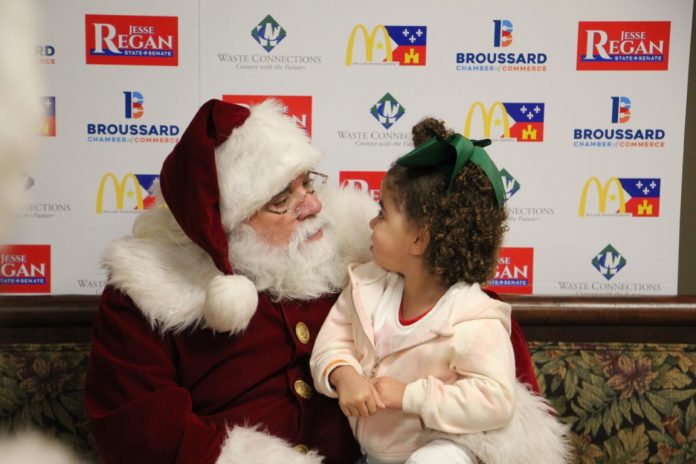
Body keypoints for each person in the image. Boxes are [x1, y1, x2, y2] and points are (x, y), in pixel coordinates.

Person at [84, 100, 559, 464]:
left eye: (307, 182)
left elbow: (465, 314)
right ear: (225, 227)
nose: (312, 205)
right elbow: (139, 435)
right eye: (280, 200)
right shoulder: (145, 298)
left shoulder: (365, 248)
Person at [310, 118, 571, 464]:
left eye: (382, 213)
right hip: (374, 453)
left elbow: (495, 399)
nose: (371, 223)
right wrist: (344, 375)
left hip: (443, 447)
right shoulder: (365, 286)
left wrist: (410, 396)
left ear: (420, 239)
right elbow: (332, 342)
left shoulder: (474, 320)